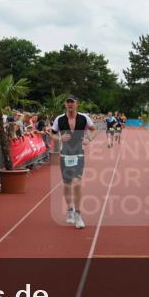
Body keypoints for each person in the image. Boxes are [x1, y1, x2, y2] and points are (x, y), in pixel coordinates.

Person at [50, 96, 97, 230]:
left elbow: (94, 130)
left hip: (78, 154)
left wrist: (89, 139)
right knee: (67, 184)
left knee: (76, 183)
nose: (70, 104)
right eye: (68, 102)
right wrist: (59, 138)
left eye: (72, 102)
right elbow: (52, 134)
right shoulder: (59, 119)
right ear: (65, 104)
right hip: (65, 155)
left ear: (77, 104)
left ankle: (78, 214)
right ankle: (69, 209)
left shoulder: (84, 118)